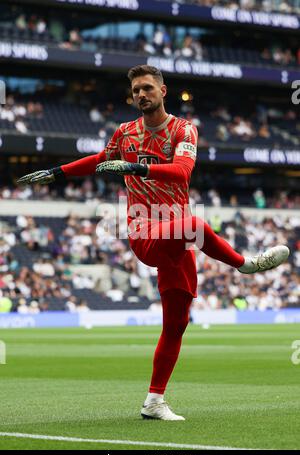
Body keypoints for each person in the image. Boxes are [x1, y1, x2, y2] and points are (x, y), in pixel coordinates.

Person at [17, 65, 290, 421]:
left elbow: (182, 171)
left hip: (177, 238)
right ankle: (247, 265)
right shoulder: (124, 132)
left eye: (147, 88)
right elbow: (101, 161)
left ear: (164, 90)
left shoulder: (183, 129)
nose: (141, 95)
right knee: (194, 224)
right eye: (135, 90)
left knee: (176, 324)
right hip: (145, 232)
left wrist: (137, 169)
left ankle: (154, 401)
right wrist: (57, 172)